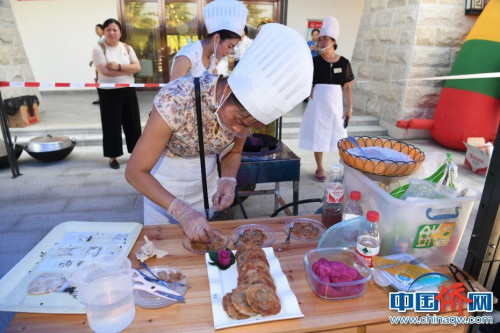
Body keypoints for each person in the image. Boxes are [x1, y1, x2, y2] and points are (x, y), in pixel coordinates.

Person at [125, 23, 313, 242]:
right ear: (228, 90)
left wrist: (228, 180)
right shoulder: (176, 99)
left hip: (207, 187)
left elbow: (233, 153)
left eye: (249, 127)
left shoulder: (242, 119)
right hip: (163, 189)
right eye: (238, 120)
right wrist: (180, 210)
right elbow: (135, 172)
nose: (238, 131)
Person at [298, 16, 354, 182]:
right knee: (319, 134)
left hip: (336, 103)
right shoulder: (313, 61)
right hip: (318, 103)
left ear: (333, 41)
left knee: (341, 135)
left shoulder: (344, 63)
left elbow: (348, 87)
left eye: (325, 39)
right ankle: (320, 166)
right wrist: (308, 89)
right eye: (320, 39)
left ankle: (346, 166)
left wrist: (349, 108)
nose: (321, 42)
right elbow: (305, 79)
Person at [91, 18, 142, 169]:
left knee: (132, 124)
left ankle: (136, 155)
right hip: (108, 92)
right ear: (104, 32)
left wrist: (118, 66)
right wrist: (127, 68)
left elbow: (137, 67)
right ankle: (112, 157)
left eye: (115, 30)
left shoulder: (126, 47)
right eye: (108, 30)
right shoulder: (99, 48)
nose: (112, 33)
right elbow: (104, 72)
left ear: (120, 32)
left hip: (128, 89)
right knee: (111, 125)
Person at [169, 0, 248, 81]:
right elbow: (171, 91)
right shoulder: (187, 55)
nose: (229, 52)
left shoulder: (211, 59)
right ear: (216, 38)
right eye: (229, 46)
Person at [89, 24, 105, 105]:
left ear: (102, 30)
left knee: (100, 80)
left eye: (98, 29)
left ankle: (102, 97)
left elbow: (102, 53)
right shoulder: (100, 40)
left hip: (102, 65)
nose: (96, 31)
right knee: (98, 80)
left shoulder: (104, 40)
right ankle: (101, 97)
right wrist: (93, 60)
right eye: (96, 29)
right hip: (99, 64)